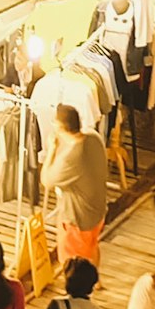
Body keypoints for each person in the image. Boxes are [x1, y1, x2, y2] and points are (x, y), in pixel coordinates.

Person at [43, 106, 110, 267]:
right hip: (98, 209)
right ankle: (96, 281)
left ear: (60, 127)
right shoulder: (93, 138)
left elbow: (46, 180)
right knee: (93, 246)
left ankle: (79, 289)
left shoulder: (71, 157)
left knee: (72, 262)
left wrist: (52, 150)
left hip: (78, 218)